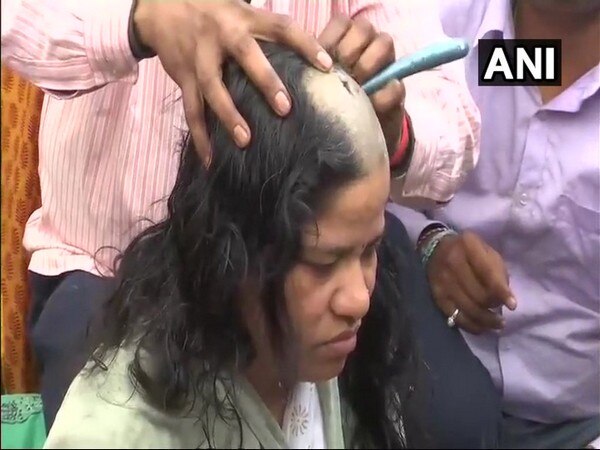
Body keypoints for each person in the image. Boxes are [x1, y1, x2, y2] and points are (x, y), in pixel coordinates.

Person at [1, 0, 479, 430]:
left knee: (458, 419)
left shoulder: (337, 276)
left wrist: (394, 132)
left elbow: (455, 125)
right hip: (102, 270)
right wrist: (138, 19)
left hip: (301, 263)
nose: (357, 302)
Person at [391, 0, 600, 447]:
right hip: (415, 382)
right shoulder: (435, 24)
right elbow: (360, 172)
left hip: (576, 423)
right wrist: (427, 243)